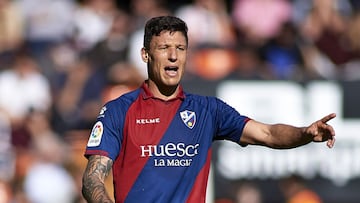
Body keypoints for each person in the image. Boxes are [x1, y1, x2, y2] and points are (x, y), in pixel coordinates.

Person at [82, 16, 336, 203]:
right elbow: (92, 178)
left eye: (180, 49)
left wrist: (305, 133)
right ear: (145, 55)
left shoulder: (208, 110)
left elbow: (268, 134)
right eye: (163, 48)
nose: (173, 56)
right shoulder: (119, 110)